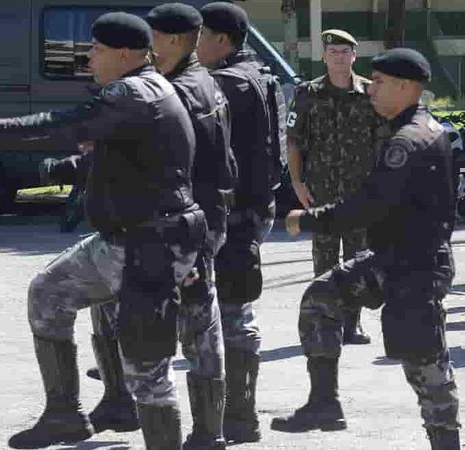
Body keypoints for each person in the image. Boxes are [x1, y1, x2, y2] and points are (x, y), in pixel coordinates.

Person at [0, 12, 206, 449]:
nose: (89, 56)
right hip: (145, 238)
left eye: (97, 49)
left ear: (125, 53)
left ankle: (74, 414)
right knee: (51, 293)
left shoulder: (129, 93)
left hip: (146, 245)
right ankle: (68, 414)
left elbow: (59, 124)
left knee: (147, 368)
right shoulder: (152, 87)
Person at [271, 48, 461, 450]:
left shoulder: (409, 141)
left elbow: (366, 206)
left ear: (407, 87)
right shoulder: (410, 128)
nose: (370, 89)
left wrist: (305, 220)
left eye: (379, 82)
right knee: (321, 298)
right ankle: (325, 403)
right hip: (391, 259)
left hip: (417, 269)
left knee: (425, 367)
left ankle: (447, 443)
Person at [79, 4, 239, 449]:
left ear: (171, 40)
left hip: (181, 227)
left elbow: (192, 170)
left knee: (185, 326)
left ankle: (195, 427)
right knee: (184, 323)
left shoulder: (177, 92)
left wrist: (193, 244)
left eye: (151, 35)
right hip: (190, 223)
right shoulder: (198, 81)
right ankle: (131, 404)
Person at [195, 2, 279, 443]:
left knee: (230, 313)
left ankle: (239, 417)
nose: (193, 45)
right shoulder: (258, 75)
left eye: (200, 35)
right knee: (232, 310)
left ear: (222, 40)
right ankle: (239, 417)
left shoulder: (228, 82)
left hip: (236, 216)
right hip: (252, 210)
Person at [287, 29, 387, 345]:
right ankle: (324, 324)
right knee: (324, 262)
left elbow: (385, 143)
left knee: (358, 260)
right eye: (334, 52)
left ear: (355, 56)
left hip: (361, 193)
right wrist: (296, 182)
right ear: (324, 57)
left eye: (346, 51)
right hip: (321, 192)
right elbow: (294, 141)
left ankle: (352, 325)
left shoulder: (371, 93)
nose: (339, 57)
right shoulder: (307, 93)